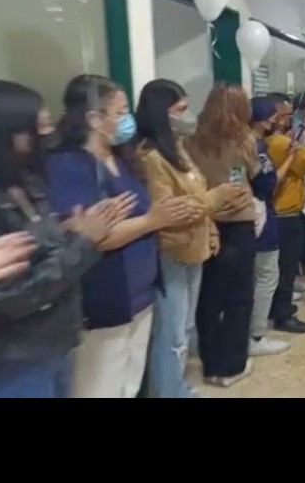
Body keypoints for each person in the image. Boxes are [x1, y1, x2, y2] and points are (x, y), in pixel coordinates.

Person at [46, 75, 195, 399]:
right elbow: (94, 236)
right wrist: (152, 220)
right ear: (94, 119)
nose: (128, 119)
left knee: (129, 384)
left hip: (140, 295)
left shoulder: (121, 158)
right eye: (121, 111)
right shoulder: (70, 166)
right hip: (106, 297)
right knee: (99, 387)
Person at [0, 80, 112, 398]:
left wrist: (70, 230)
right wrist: (84, 243)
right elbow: (13, 296)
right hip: (14, 356)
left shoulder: (26, 181)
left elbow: (39, 251)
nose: (48, 134)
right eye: (37, 127)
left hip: (54, 341)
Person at [136, 79, 248, 397]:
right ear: (161, 112)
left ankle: (177, 385)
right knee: (171, 332)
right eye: (179, 110)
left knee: (185, 326)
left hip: (195, 245)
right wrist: (215, 198)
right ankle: (168, 390)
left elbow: (195, 191)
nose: (186, 117)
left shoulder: (178, 148)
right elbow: (171, 210)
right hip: (171, 249)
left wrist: (210, 228)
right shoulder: (151, 157)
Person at [187, 84, 262, 389]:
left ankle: (210, 364)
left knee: (209, 297)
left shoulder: (191, 140)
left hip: (206, 222)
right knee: (239, 297)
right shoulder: (244, 139)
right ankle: (231, 366)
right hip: (238, 221)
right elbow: (253, 173)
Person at [266, 93, 305, 335]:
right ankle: (282, 315)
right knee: (285, 268)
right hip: (284, 213)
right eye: (286, 115)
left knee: (281, 267)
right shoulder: (278, 143)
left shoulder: (280, 140)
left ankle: (277, 307)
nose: (289, 119)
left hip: (283, 211)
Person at [248, 98, 291, 357]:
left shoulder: (250, 144)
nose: (278, 122)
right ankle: (256, 334)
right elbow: (269, 183)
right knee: (266, 275)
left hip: (253, 216)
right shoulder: (256, 148)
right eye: (274, 117)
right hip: (260, 216)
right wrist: (289, 159)